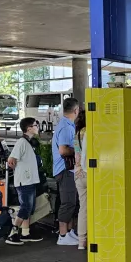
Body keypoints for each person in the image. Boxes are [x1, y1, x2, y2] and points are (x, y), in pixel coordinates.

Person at [5, 117, 44, 245]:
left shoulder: (28, 142)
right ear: (29, 128)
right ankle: (13, 233)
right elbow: (11, 160)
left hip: (29, 180)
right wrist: (20, 170)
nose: (37, 126)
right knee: (26, 207)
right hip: (24, 181)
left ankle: (25, 233)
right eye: (36, 125)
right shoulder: (22, 142)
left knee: (29, 208)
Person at [53, 97, 80, 246]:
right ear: (76, 110)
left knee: (72, 202)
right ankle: (62, 235)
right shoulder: (66, 127)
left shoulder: (66, 125)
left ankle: (69, 233)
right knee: (68, 202)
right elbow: (63, 150)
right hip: (64, 170)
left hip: (66, 170)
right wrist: (78, 150)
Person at [73, 108, 88, 252]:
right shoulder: (91, 132)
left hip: (78, 174)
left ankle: (81, 241)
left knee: (83, 208)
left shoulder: (77, 133)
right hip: (90, 172)